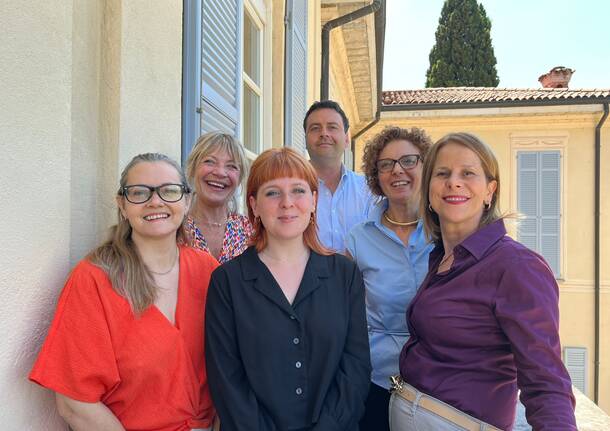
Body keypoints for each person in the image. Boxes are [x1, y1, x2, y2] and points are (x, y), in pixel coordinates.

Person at [390, 133, 576, 430]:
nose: (454, 182)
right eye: (442, 173)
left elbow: (546, 381)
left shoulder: (516, 266)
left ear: (490, 191)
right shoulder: (440, 257)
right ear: (428, 191)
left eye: (468, 173)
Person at [29, 153, 219, 431]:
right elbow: (74, 403)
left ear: (186, 200)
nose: (156, 201)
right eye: (139, 193)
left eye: (169, 191)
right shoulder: (94, 279)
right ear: (123, 204)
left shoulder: (208, 271)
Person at [205, 147, 371, 430]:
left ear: (314, 200)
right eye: (272, 193)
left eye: (298, 190)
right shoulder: (227, 281)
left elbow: (355, 366)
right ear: (254, 205)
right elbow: (226, 379)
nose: (287, 203)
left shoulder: (344, 275)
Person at [346, 126, 434, 431]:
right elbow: (345, 315)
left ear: (427, 166)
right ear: (376, 176)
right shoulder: (358, 240)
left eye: (409, 160)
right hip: (378, 382)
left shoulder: (448, 232)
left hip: (440, 384)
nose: (398, 170)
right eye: (386, 164)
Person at [304, 100, 372, 253]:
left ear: (347, 139)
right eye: (315, 128)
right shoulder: (289, 192)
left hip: (358, 276)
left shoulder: (368, 190)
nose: (324, 133)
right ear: (306, 140)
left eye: (332, 127)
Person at [185, 132, 253, 263]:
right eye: (209, 162)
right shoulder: (176, 229)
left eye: (231, 166)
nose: (220, 172)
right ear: (193, 168)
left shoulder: (250, 231)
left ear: (239, 179)